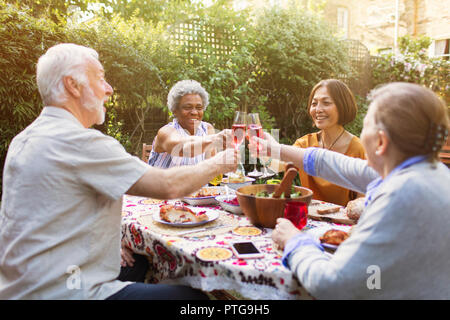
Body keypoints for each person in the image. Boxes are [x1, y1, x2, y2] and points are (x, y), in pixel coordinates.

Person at [0, 43, 238, 300]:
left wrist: (112, 242)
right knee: (194, 300)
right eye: (100, 77)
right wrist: (221, 162)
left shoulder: (24, 139)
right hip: (67, 291)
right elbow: (169, 186)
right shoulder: (80, 142)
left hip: (22, 286)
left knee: (140, 262)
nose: (109, 88)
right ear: (73, 85)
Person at [250, 82, 450, 299]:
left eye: (366, 128)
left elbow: (332, 285)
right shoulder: (429, 171)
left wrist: (295, 241)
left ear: (381, 141)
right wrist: (275, 150)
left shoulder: (401, 196)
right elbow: (337, 164)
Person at [293, 79, 366, 206]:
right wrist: (264, 147)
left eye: (326, 103)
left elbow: (363, 201)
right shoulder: (304, 144)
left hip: (344, 223)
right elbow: (275, 166)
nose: (318, 109)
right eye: (314, 103)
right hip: (308, 220)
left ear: (342, 106)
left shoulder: (358, 148)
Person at [148, 79, 230, 168]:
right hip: (165, 182)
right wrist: (215, 139)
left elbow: (210, 166)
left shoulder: (207, 128)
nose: (194, 112)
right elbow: (181, 148)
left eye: (199, 108)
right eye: (187, 107)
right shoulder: (166, 132)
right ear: (175, 111)